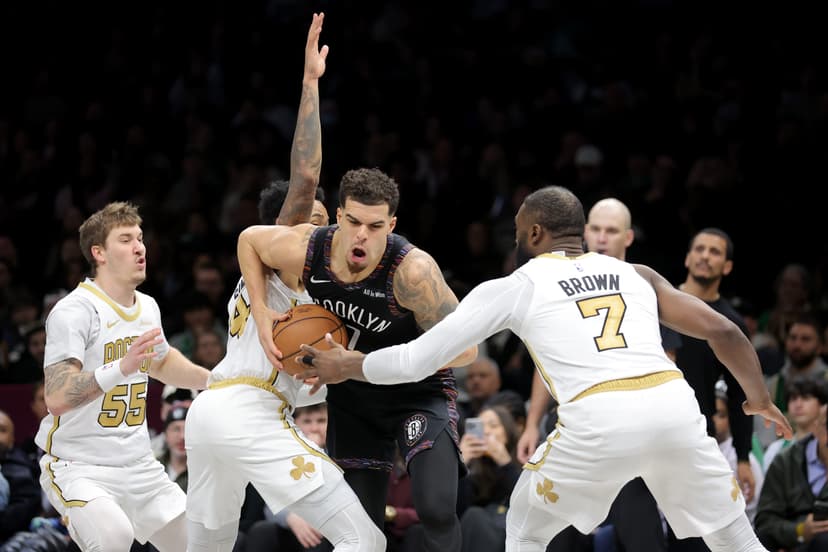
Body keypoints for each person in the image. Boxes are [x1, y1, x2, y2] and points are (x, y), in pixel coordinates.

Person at [294, 185, 792, 552]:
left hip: (600, 417)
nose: (515, 240)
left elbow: (418, 358)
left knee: (526, 529)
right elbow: (726, 331)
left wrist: (350, 364)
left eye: (517, 231)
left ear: (533, 233)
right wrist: (760, 399)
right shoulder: (635, 272)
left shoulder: (518, 284)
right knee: (734, 539)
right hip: (674, 407)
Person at [184, 13, 385, 552]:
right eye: (310, 222)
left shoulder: (310, 282)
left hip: (210, 412)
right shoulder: (284, 256)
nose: (318, 233)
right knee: (366, 541)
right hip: (250, 409)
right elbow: (306, 176)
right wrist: (310, 83)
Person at [238, 164, 478, 552]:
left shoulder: (413, 272)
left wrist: (362, 364)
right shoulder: (309, 249)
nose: (362, 235)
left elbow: (467, 349)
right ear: (338, 216)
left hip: (416, 394)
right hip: (354, 403)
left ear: (392, 225)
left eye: (375, 226)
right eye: (353, 222)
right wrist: (261, 309)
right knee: (360, 532)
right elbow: (249, 240)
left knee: (436, 508)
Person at [33, 201, 211, 552]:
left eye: (140, 238)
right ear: (98, 252)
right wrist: (121, 367)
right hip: (79, 465)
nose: (139, 248)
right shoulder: (74, 310)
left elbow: (160, 362)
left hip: (139, 464)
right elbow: (57, 396)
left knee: (201, 543)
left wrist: (215, 380)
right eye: (126, 239)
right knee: (114, 537)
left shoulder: (147, 306)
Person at [581, 196, 668, 551]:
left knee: (639, 532)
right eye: (596, 229)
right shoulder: (563, 283)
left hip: (631, 429)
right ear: (584, 232)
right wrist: (532, 422)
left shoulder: (644, 285)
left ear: (628, 237)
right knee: (557, 533)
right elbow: (547, 363)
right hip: (578, 427)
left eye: (611, 231)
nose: (602, 238)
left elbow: (666, 365)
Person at [673, 228, 757, 519]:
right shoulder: (655, 304)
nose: (705, 256)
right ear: (687, 258)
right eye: (699, 249)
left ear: (728, 266)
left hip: (697, 437)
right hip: (645, 430)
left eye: (715, 252)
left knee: (697, 531)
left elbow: (740, 395)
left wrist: (743, 458)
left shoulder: (730, 325)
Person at [754, 405, 828, 550]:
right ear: (816, 427)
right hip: (789, 541)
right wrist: (798, 531)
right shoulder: (785, 462)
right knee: (761, 539)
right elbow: (765, 521)